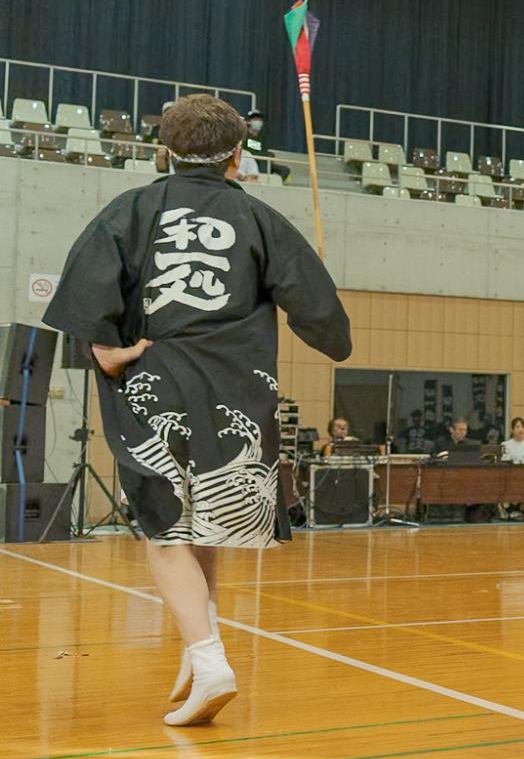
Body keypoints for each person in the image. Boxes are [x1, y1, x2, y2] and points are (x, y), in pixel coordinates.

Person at [44, 92, 351, 726]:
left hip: (160, 379)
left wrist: (105, 349)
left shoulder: (132, 208)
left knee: (166, 531)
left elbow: (86, 291)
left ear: (164, 149)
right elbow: (325, 322)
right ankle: (198, 648)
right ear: (237, 155)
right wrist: (321, 314)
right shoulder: (261, 218)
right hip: (240, 388)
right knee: (205, 522)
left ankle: (209, 659)